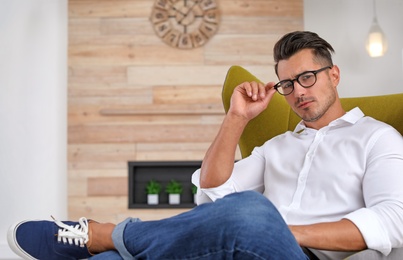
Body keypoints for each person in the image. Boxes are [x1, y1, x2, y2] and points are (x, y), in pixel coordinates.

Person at [7, 31, 403, 260]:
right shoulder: (277, 146)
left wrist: (289, 231)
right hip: (238, 246)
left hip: (300, 254)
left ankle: (106, 232)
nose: (297, 92)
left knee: (251, 209)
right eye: (286, 84)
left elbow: (393, 220)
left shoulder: (376, 137)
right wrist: (236, 118)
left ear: (333, 74)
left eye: (307, 78)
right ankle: (111, 244)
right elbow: (210, 193)